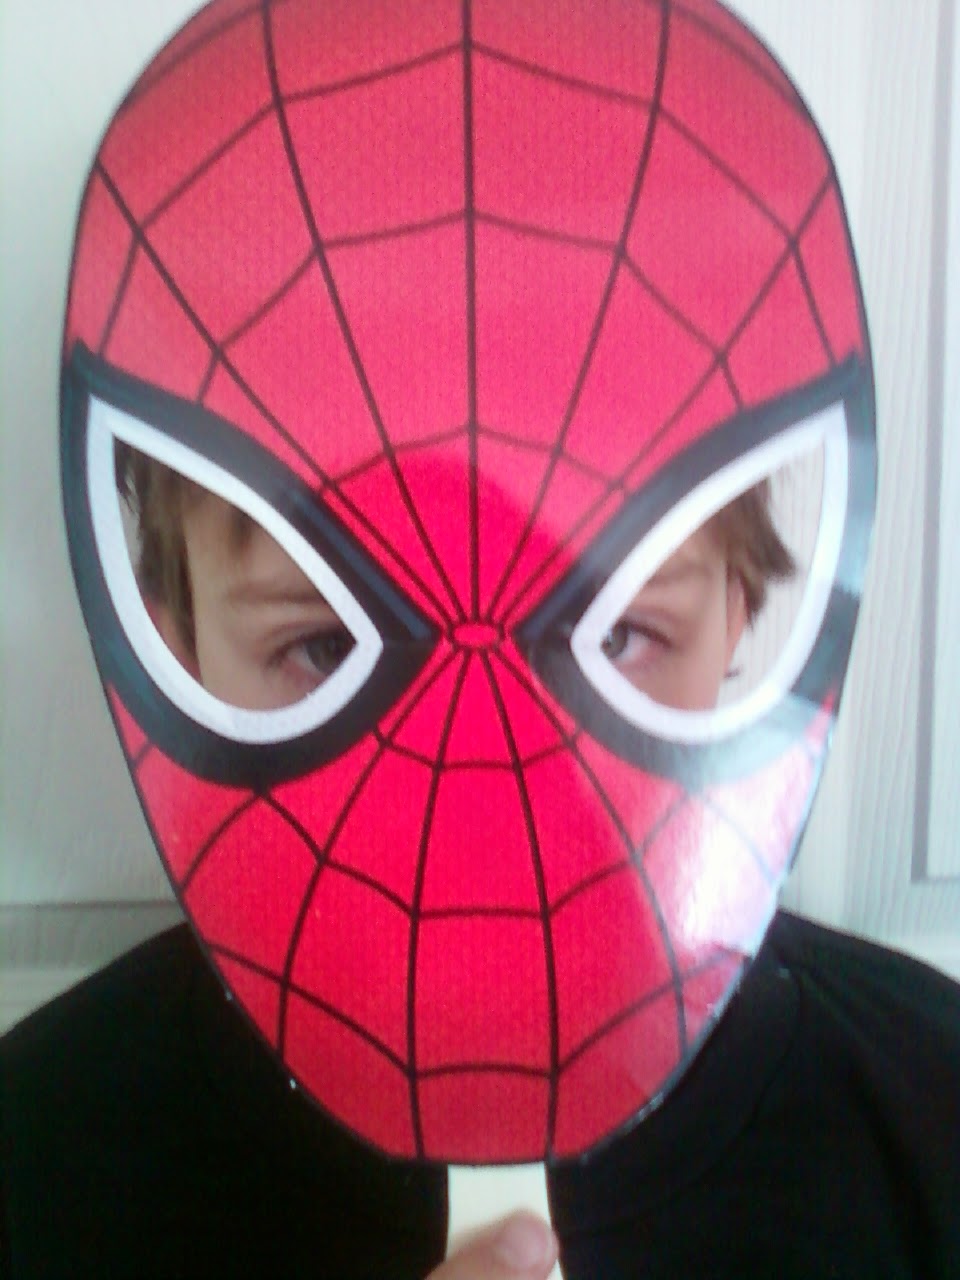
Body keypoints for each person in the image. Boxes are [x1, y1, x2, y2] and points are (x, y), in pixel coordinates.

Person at [4, 1, 960, 1276]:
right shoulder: (38, 1161)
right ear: (171, 639)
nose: (498, 757)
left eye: (625, 634)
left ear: (744, 612)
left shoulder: (933, 1117)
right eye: (322, 647)